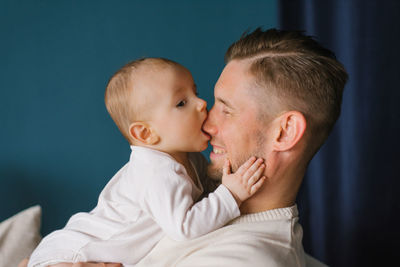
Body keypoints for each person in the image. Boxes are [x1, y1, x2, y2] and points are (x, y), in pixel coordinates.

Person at [22, 27, 348, 267]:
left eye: (226, 109)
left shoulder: (244, 260)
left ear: (285, 131)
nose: (206, 123)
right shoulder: (197, 199)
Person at [27, 58, 266, 267]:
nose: (202, 103)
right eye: (182, 103)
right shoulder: (158, 172)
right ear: (145, 134)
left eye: (195, 92)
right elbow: (185, 227)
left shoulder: (187, 156)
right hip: (73, 254)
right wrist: (231, 194)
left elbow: (204, 193)